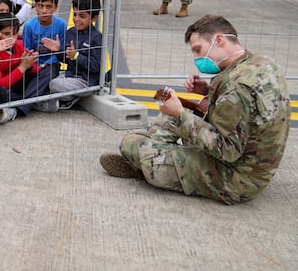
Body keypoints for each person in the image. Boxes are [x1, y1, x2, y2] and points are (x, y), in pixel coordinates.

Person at [100, 15, 291, 204]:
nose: (197, 58)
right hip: (254, 167)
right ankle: (158, 153)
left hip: (235, 179)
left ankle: (150, 160)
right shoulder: (260, 63)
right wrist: (207, 92)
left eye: (198, 50)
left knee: (133, 145)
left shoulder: (238, 86)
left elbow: (227, 151)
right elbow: (245, 111)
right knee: (169, 119)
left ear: (219, 40)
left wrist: (181, 114)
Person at [48, 0, 103, 110]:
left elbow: (96, 66)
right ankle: (59, 99)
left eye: (82, 16)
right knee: (43, 78)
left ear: (94, 18)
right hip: (69, 75)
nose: (76, 19)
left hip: (86, 81)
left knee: (54, 85)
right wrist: (58, 51)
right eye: (75, 14)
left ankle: (68, 99)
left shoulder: (96, 37)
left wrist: (77, 56)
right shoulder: (71, 32)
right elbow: (66, 59)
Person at [17, 0, 67, 113]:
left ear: (55, 7)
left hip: (51, 65)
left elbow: (61, 52)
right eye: (40, 6)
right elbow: (26, 51)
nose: (44, 10)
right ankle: (34, 101)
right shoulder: (29, 25)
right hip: (33, 64)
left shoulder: (61, 25)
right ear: (36, 6)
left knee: (48, 72)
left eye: (49, 6)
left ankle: (22, 107)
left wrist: (49, 60)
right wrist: (35, 65)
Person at [0, 13, 39, 97]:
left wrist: (30, 63)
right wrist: (22, 67)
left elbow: (36, 70)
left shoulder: (19, 45)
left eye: (15, 33)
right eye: (6, 34)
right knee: (2, 94)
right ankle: (29, 101)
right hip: (5, 88)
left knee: (47, 72)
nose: (12, 38)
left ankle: (26, 101)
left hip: (20, 81)